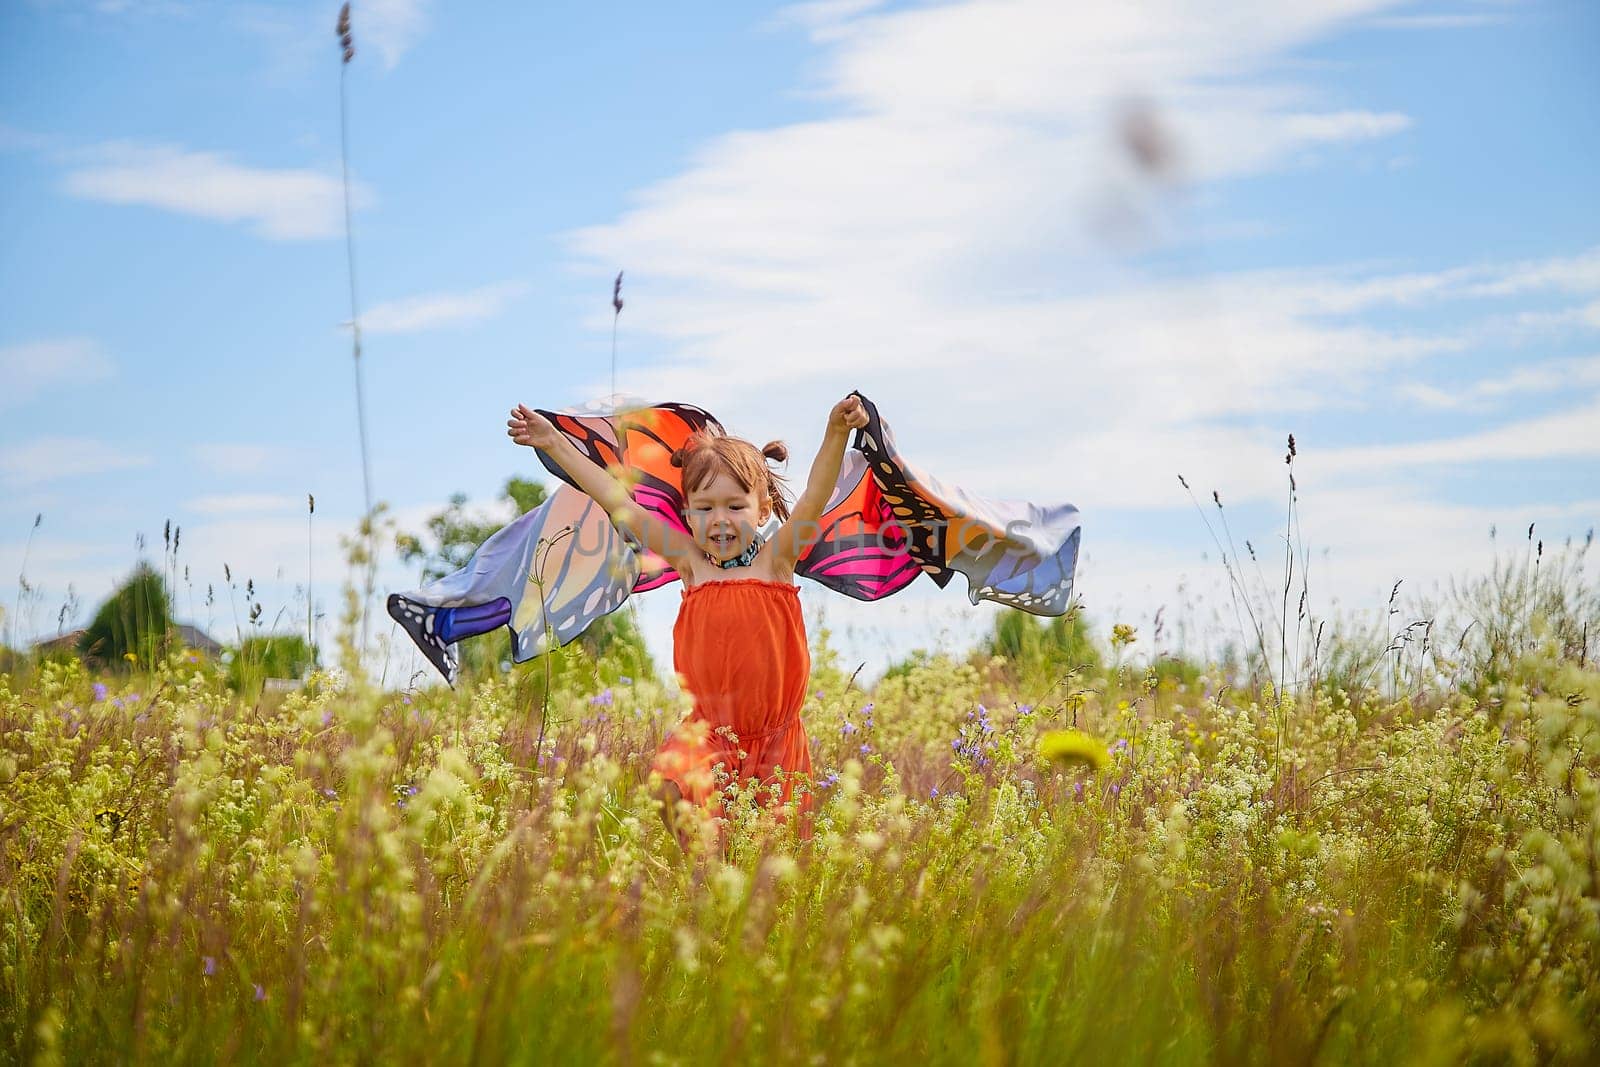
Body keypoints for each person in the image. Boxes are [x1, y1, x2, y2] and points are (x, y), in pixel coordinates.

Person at [506, 394, 871, 853]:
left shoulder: (779, 559)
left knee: (769, 859)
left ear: (761, 511)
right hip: (709, 732)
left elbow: (817, 492)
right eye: (705, 508)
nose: (720, 520)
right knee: (667, 789)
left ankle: (728, 900)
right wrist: (555, 443)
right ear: (686, 514)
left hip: (775, 741)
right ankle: (705, 869)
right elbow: (618, 502)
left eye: (735, 507)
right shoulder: (689, 563)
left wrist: (836, 431)